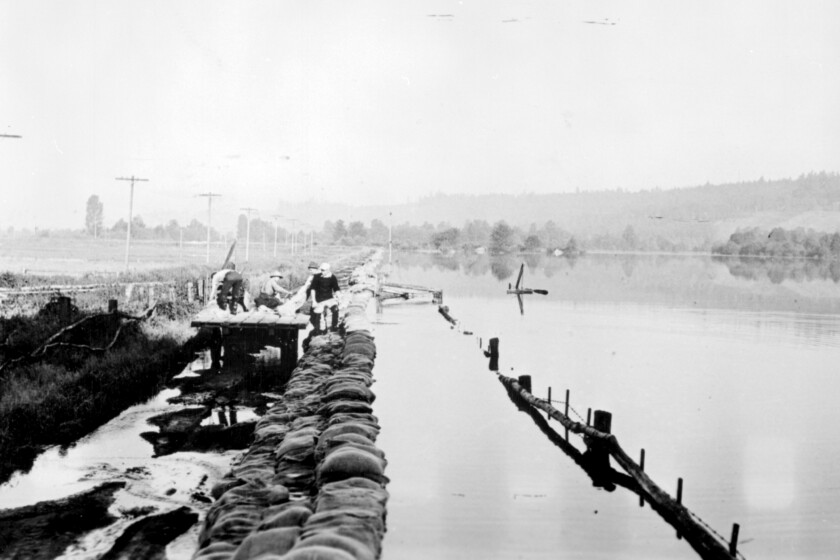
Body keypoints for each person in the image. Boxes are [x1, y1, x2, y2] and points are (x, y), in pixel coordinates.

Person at [305, 262, 341, 333]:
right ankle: (318, 331)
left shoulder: (332, 277)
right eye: (321, 270)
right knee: (317, 315)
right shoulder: (317, 277)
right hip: (319, 300)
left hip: (329, 299)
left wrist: (339, 297)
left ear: (328, 270)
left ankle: (334, 327)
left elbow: (336, 288)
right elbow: (313, 289)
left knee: (335, 309)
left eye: (323, 270)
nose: (321, 271)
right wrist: (314, 301)